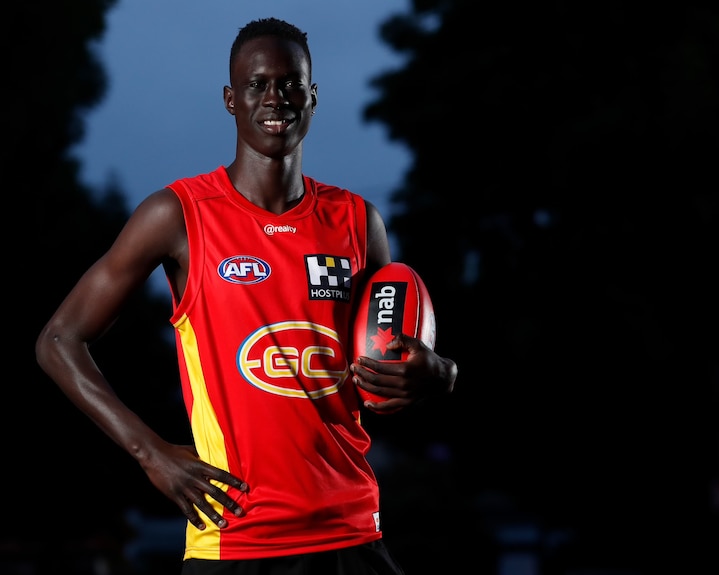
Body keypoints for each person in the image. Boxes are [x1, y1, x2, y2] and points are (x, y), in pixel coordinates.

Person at [36, 17, 458, 575]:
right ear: (231, 99)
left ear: (312, 97)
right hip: (234, 539)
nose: (275, 98)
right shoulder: (177, 215)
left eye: (290, 84)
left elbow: (381, 370)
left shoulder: (358, 221)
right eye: (257, 84)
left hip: (349, 531)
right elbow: (59, 340)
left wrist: (437, 373)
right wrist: (151, 453)